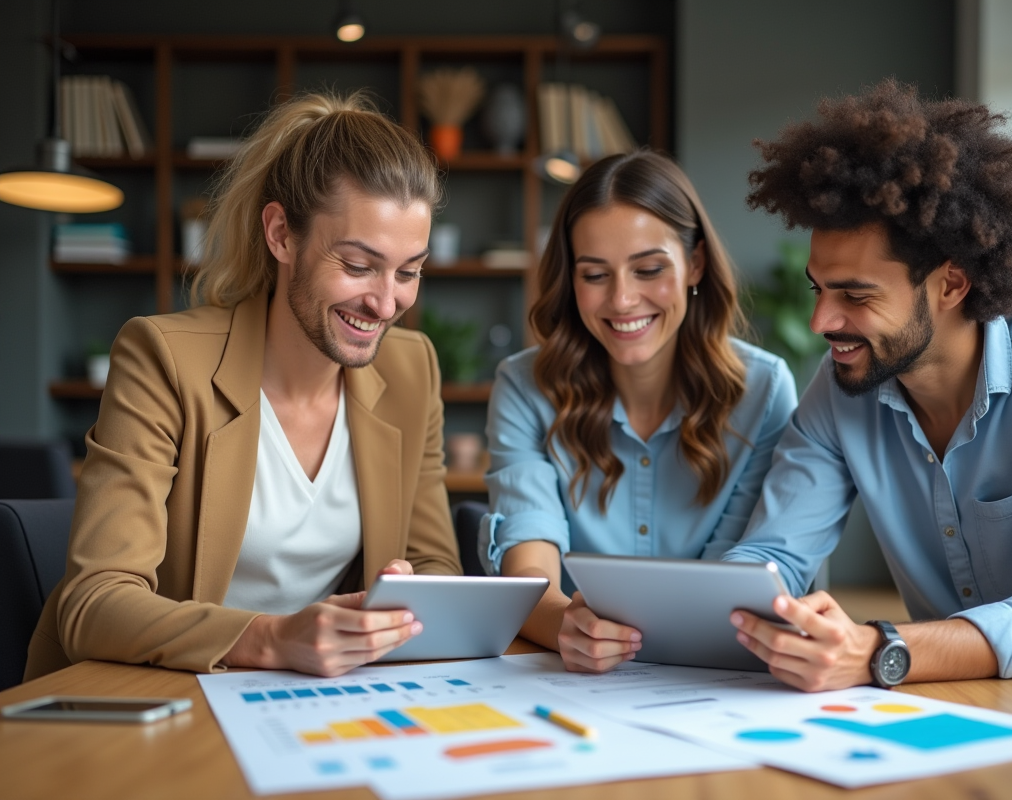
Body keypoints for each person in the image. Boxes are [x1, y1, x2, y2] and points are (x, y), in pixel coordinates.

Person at [721, 79, 1012, 734]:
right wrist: (731, 611)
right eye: (819, 289)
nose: (821, 321)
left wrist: (878, 648)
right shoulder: (842, 389)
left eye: (855, 295)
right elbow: (773, 555)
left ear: (950, 283)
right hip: (978, 682)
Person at [24, 92, 462, 681]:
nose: (387, 304)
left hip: (316, 694)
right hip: (157, 691)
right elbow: (94, 603)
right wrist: (273, 638)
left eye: (409, 271)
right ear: (281, 235)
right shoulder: (164, 359)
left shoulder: (413, 370)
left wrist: (406, 597)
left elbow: (434, 562)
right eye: (359, 266)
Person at [484, 151, 797, 673]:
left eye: (649, 269)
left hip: (714, 675)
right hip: (578, 676)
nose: (623, 300)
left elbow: (737, 575)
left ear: (695, 263)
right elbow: (529, 562)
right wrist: (563, 624)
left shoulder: (763, 391)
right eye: (594, 275)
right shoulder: (523, 386)